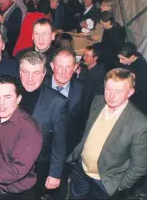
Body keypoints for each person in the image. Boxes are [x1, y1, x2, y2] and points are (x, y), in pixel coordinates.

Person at [67, 68, 147, 199]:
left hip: (104, 183)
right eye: (108, 89)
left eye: (118, 91)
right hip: (80, 170)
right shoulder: (98, 101)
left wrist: (118, 186)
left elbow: (140, 167)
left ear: (130, 92)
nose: (111, 96)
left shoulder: (140, 125)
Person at [17, 51, 69, 200]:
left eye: (36, 73)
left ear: (44, 73)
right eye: (26, 72)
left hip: (36, 171)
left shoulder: (57, 102)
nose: (30, 78)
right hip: (7, 167)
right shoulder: (9, 92)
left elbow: (59, 144)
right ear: (20, 72)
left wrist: (55, 174)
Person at [44, 48, 92, 199]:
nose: (64, 72)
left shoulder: (82, 89)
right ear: (52, 66)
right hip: (40, 151)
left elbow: (84, 121)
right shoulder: (40, 84)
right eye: (60, 66)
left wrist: (75, 151)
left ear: (76, 67)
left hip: (66, 152)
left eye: (68, 67)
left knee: (60, 189)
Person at [117, 42, 147, 114]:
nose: (120, 61)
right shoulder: (127, 61)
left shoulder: (142, 68)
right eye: (119, 58)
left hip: (138, 97)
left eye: (123, 59)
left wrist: (134, 81)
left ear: (132, 56)